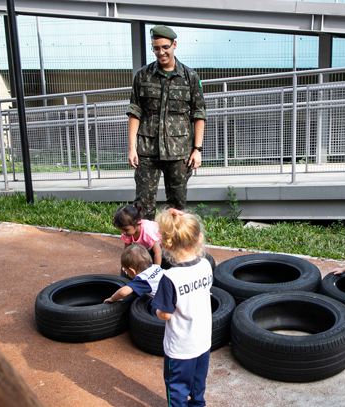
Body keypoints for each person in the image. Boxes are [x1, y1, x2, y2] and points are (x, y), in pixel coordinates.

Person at [126, 24, 207, 220]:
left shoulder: (190, 77)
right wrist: (131, 148)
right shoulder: (142, 76)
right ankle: (145, 249)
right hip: (147, 150)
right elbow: (135, 112)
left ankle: (174, 249)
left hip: (179, 151)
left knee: (177, 206)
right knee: (143, 205)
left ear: (174, 45)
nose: (160, 52)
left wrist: (197, 149)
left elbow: (199, 114)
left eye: (165, 47)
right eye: (156, 48)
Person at [151, 208, 213, 407]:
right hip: (202, 342)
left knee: (176, 388)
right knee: (198, 386)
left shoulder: (170, 278)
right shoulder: (206, 265)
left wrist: (156, 310)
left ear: (167, 244)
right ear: (199, 238)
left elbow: (166, 315)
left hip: (180, 348)